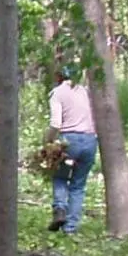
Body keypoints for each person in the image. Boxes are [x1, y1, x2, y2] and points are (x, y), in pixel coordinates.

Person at [48, 64, 98, 234]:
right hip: (90, 141)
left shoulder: (57, 93)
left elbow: (56, 123)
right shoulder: (85, 92)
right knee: (78, 185)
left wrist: (48, 141)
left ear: (59, 76)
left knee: (60, 177)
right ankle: (70, 228)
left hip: (69, 141)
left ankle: (60, 208)